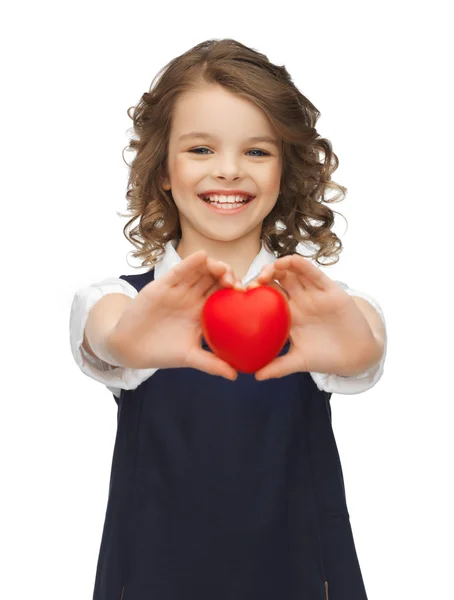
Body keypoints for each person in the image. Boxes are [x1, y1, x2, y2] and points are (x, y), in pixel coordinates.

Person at [69, 38, 387, 600]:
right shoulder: (118, 300)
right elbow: (107, 335)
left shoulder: (323, 309)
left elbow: (364, 339)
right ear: (162, 169)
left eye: (258, 152)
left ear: (285, 170)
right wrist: (125, 342)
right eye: (200, 149)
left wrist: (363, 351)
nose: (229, 171)